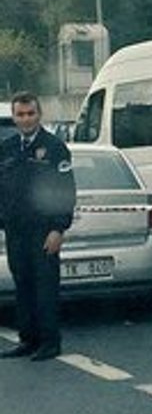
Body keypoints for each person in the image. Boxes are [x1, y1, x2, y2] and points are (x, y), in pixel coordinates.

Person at [0, 92, 76, 361]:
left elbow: (65, 190)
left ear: (39, 115)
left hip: (44, 232)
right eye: (20, 114)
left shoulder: (54, 147)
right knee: (23, 286)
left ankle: (49, 342)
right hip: (16, 232)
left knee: (45, 288)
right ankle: (27, 339)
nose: (26, 119)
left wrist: (58, 228)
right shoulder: (7, 148)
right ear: (14, 117)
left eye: (30, 113)